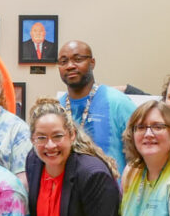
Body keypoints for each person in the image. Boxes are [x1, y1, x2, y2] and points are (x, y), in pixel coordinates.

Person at [55, 40, 138, 169]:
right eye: (63, 61)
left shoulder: (118, 102)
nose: (70, 65)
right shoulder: (56, 109)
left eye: (78, 59)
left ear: (92, 63)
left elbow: (139, 156)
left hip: (111, 186)